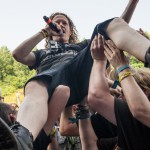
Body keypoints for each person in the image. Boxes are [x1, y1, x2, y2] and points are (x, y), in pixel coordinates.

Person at [0, 0, 139, 149]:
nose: (60, 25)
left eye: (64, 23)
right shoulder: (42, 54)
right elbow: (18, 54)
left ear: (70, 31)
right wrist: (44, 32)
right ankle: (22, 139)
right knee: (35, 83)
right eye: (56, 22)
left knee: (106, 27)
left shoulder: (80, 47)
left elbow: (115, 28)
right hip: (55, 86)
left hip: (78, 78)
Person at [88, 33, 150, 149]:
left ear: (145, 92)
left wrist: (100, 60)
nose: (119, 95)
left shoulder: (139, 120)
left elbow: (98, 95)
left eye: (124, 92)